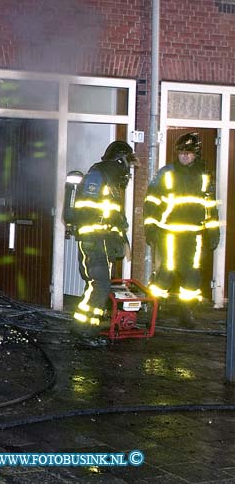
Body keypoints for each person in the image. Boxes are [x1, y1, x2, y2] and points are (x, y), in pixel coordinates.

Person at [144, 132, 219, 328]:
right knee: (165, 273)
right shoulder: (166, 173)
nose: (185, 156)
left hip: (193, 235)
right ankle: (154, 311)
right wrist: (150, 227)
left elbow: (210, 207)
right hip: (168, 233)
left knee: (192, 274)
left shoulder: (204, 177)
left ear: (197, 154)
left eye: (189, 152)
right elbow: (151, 202)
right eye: (181, 152)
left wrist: (213, 231)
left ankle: (186, 312)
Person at [71, 141, 137, 347]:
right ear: (119, 161)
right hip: (93, 240)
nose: (129, 170)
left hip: (103, 242)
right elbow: (86, 210)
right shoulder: (97, 176)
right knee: (100, 285)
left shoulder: (111, 184)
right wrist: (99, 232)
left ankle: (84, 327)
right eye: (128, 163)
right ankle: (85, 331)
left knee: (97, 286)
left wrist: (122, 242)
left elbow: (114, 218)